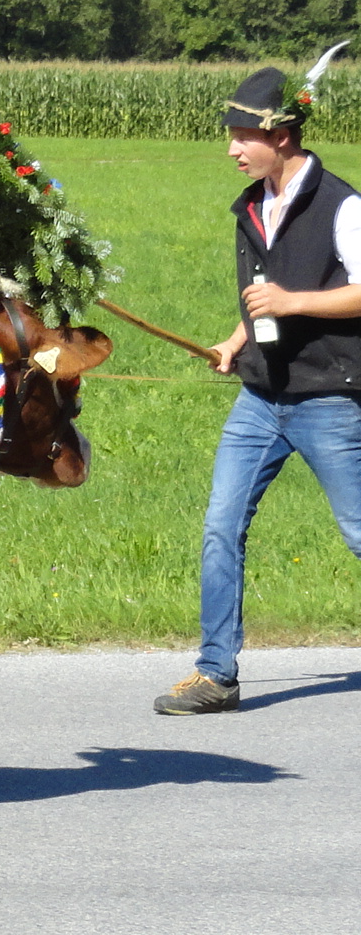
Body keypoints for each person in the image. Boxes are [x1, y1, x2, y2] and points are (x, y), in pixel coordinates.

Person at [156, 63, 361, 714]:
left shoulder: (343, 205)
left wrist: (290, 301)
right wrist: (237, 339)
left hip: (328, 400)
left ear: (283, 136)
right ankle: (216, 673)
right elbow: (262, 297)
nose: (232, 147)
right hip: (259, 402)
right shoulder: (250, 206)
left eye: (243, 134)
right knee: (220, 527)